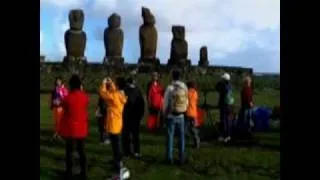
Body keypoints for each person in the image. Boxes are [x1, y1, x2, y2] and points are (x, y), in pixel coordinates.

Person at [59, 74, 89, 180]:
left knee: (69, 152)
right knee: (82, 152)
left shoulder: (68, 98)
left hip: (71, 129)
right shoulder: (85, 96)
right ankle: (84, 173)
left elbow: (63, 105)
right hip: (82, 128)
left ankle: (69, 173)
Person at [99, 77, 127, 179]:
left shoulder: (114, 95)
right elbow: (115, 90)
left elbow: (104, 94)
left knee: (116, 146)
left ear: (118, 85)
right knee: (117, 145)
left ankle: (119, 165)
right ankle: (118, 162)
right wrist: (111, 83)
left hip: (113, 124)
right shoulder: (121, 94)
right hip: (118, 123)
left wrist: (103, 84)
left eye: (115, 82)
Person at [163, 70, 188, 164]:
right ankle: (181, 157)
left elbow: (165, 103)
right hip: (181, 115)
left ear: (172, 77)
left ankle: (169, 158)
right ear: (180, 76)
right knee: (181, 137)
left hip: (171, 115)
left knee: (170, 137)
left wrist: (164, 114)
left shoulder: (170, 88)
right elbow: (187, 101)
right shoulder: (184, 87)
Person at [122, 77, 145, 158]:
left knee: (126, 135)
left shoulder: (125, 91)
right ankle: (137, 151)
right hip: (136, 116)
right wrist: (141, 115)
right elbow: (142, 104)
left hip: (127, 116)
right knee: (136, 135)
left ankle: (127, 152)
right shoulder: (138, 91)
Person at [215, 73, 234, 143]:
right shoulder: (230, 86)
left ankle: (224, 136)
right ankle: (228, 135)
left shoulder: (223, 86)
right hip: (230, 105)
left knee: (223, 120)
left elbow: (216, 87)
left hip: (224, 105)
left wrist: (219, 82)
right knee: (228, 120)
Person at [185, 81, 200, 149]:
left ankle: (185, 140)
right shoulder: (195, 92)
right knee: (193, 129)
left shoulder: (186, 92)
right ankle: (197, 143)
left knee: (185, 128)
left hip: (187, 112)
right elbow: (196, 100)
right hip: (194, 113)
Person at [95, 78, 110, 144]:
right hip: (104, 110)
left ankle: (102, 139)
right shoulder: (105, 92)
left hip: (102, 109)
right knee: (104, 125)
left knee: (102, 125)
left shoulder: (103, 92)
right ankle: (104, 139)